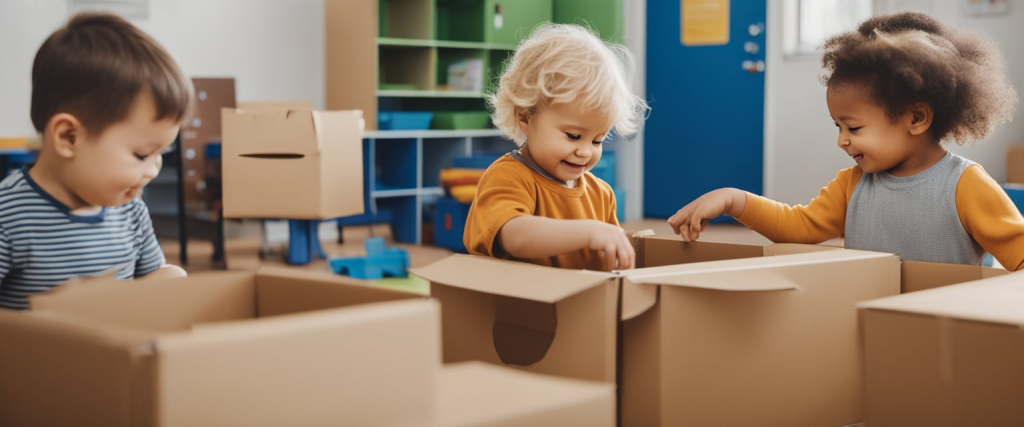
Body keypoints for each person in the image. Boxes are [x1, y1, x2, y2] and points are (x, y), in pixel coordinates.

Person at [669, 11, 1024, 270]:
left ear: (916, 118)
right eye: (837, 126)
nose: (842, 141)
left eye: (853, 128)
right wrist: (733, 200)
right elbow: (799, 227)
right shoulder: (853, 185)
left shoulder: (965, 185)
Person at [0, 12, 193, 310]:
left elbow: (151, 281)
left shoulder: (131, 212)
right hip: (37, 354)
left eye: (161, 154)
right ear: (68, 137)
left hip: (112, 350)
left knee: (174, 276)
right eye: (142, 155)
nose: (154, 170)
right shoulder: (9, 216)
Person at [464, 23, 649, 271]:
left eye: (597, 140)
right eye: (573, 136)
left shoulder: (601, 194)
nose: (585, 151)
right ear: (526, 118)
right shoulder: (508, 177)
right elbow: (515, 236)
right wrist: (589, 232)